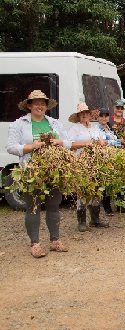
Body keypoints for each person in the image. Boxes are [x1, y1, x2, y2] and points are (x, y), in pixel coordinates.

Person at [6, 90, 72, 257]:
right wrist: (31, 146)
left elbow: (67, 142)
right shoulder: (19, 124)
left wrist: (60, 142)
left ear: (46, 106)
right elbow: (11, 147)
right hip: (31, 171)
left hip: (53, 170)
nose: (40, 106)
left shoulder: (54, 123)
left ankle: (55, 241)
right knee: (33, 207)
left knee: (54, 205)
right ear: (29, 105)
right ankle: (35, 244)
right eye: (36, 103)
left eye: (42, 103)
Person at [67, 103, 109, 231]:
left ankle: (95, 219)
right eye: (82, 113)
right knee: (83, 190)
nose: (84, 115)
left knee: (97, 190)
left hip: (95, 163)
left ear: (91, 115)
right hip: (81, 163)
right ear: (79, 116)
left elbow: (103, 140)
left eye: (86, 113)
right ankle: (82, 221)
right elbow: (69, 145)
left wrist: (102, 142)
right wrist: (85, 144)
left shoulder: (95, 128)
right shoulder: (75, 128)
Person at [97, 107, 125, 215]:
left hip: (115, 157)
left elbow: (113, 139)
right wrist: (119, 142)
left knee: (118, 180)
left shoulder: (109, 128)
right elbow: (104, 142)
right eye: (102, 116)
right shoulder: (97, 129)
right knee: (107, 182)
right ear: (98, 117)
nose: (104, 118)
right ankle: (106, 206)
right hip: (105, 157)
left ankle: (120, 204)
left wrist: (121, 141)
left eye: (106, 116)